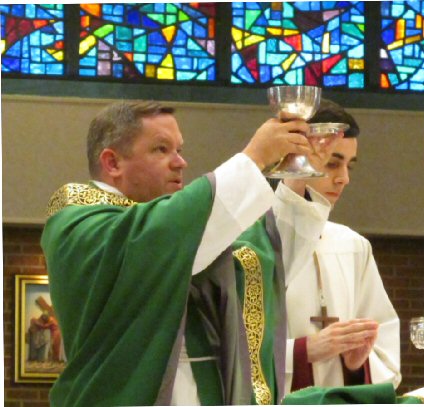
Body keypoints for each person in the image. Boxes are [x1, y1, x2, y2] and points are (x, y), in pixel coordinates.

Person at [41, 100, 314, 407]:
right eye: (161, 149)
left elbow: (258, 257)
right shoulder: (81, 226)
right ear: (113, 163)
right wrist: (255, 157)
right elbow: (163, 236)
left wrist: (301, 183)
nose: (180, 162)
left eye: (179, 149)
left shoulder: (175, 235)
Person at [272, 99, 401, 393]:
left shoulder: (353, 246)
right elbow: (234, 349)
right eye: (332, 163)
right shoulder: (253, 241)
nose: (344, 178)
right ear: (294, 160)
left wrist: (357, 363)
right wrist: (303, 352)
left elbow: (384, 348)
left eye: (348, 165)